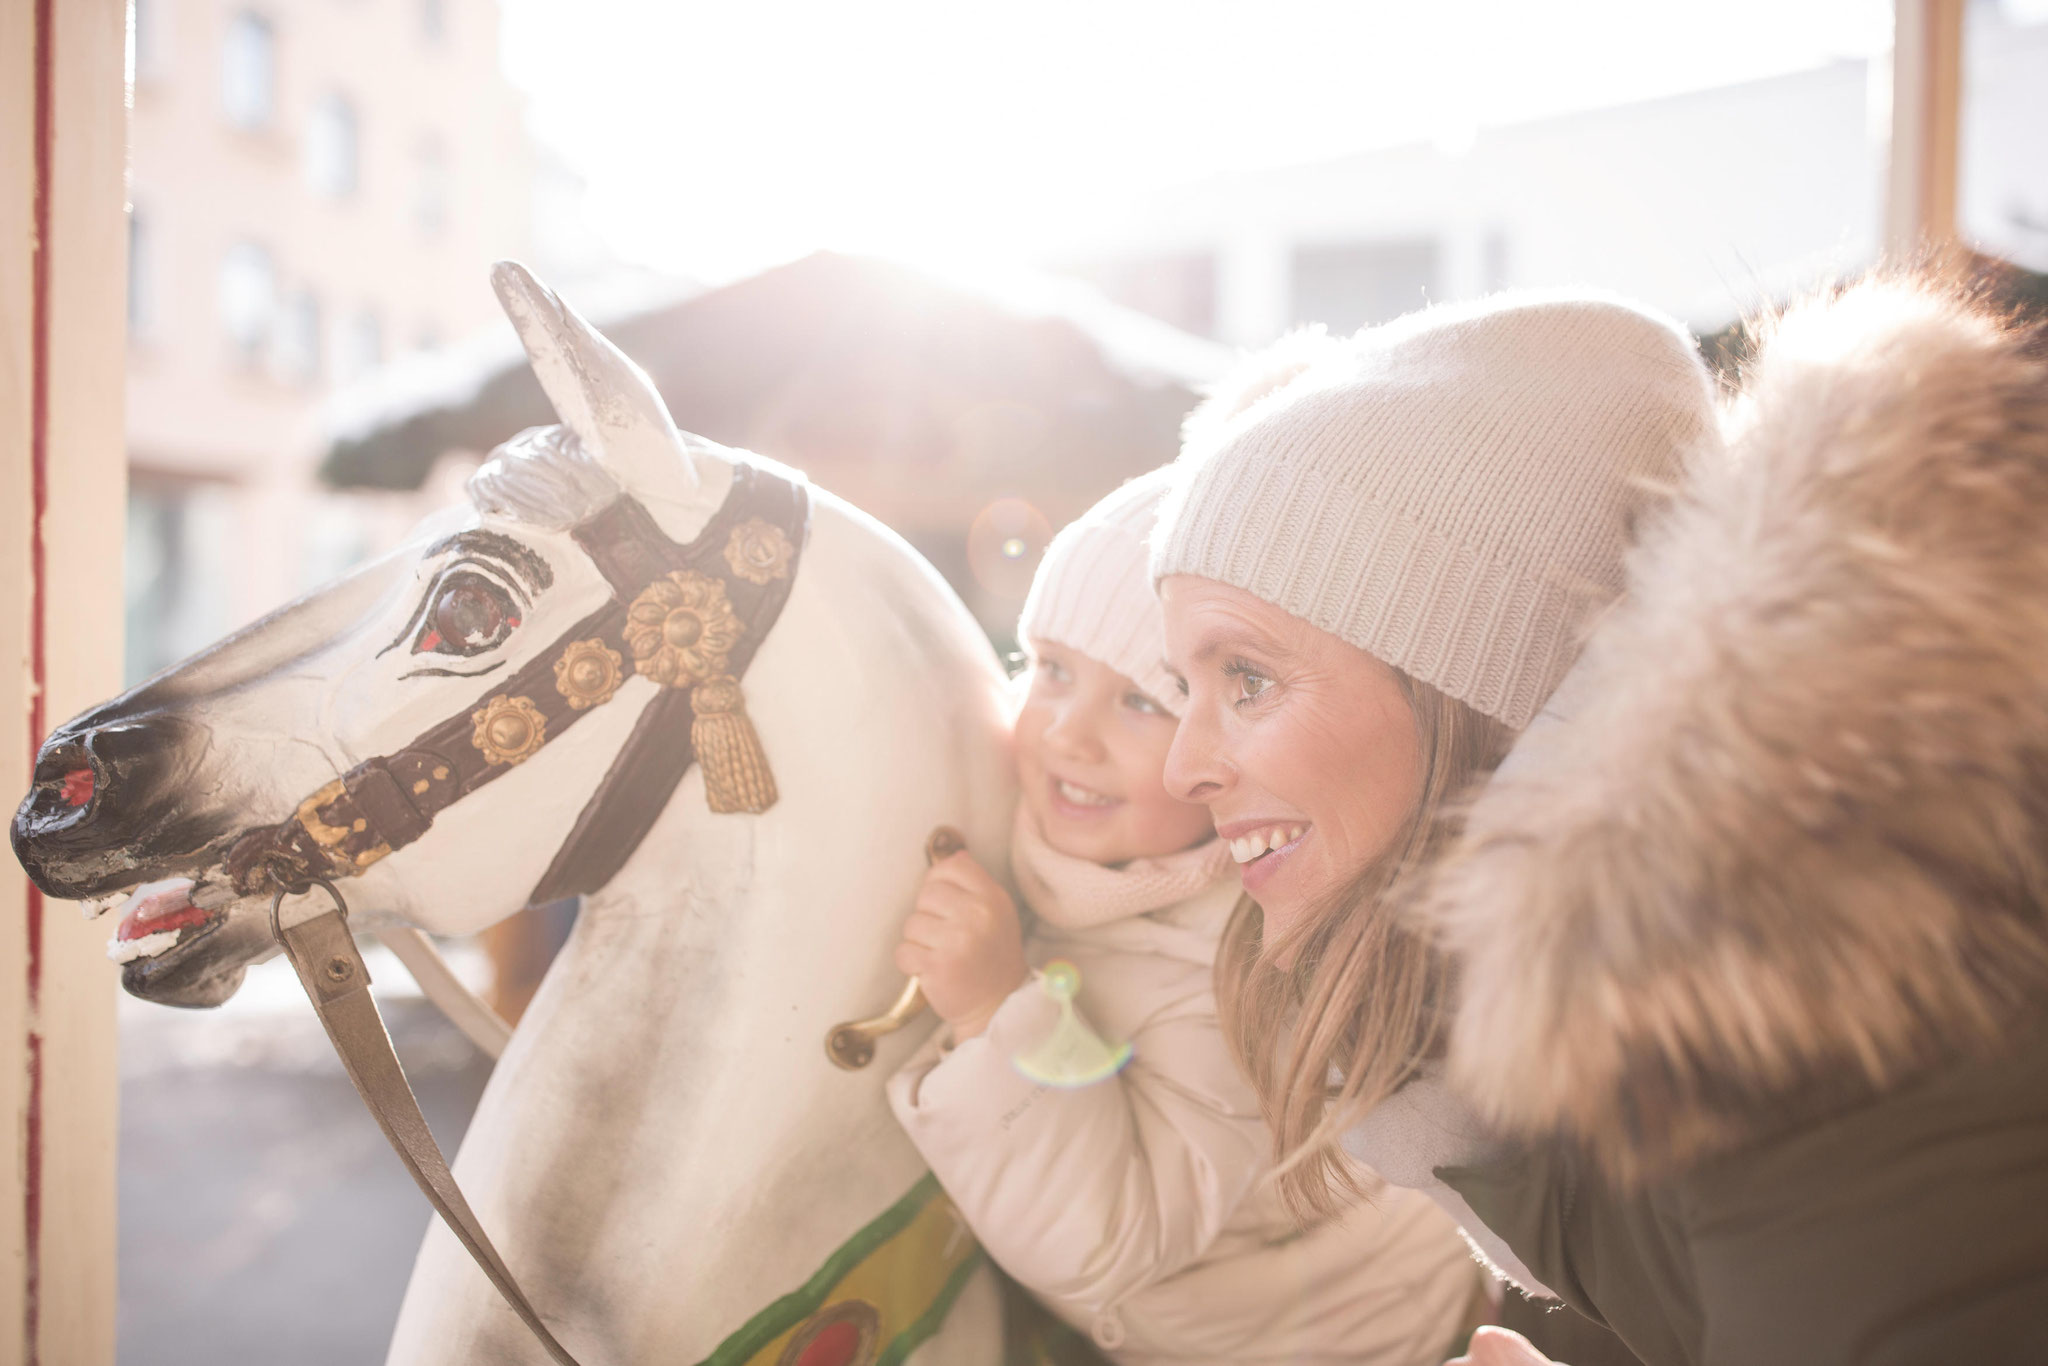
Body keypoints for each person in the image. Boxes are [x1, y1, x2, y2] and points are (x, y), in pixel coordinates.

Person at [1154, 277, 2048, 1366]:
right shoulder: (1652, 994)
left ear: (1474, 679)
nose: (1180, 766)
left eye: (1245, 676)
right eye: (1177, 691)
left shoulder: (1800, 987)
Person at [887, 470, 1488, 1366]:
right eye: (1050, 669)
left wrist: (991, 1016)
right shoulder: (1053, 835)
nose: (1067, 734)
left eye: (1140, 701)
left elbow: (1107, 1236)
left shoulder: (1251, 963)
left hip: (1361, 1342)